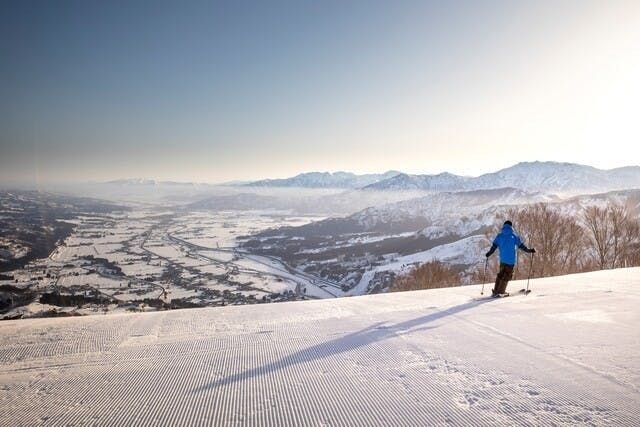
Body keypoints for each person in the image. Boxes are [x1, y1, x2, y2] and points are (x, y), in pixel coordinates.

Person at [485, 220, 535, 297]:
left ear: (504, 226)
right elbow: (521, 246)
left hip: (502, 260)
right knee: (507, 275)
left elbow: (494, 246)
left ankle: (496, 290)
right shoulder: (514, 236)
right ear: (511, 226)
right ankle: (501, 292)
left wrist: (489, 253)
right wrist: (529, 250)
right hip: (510, 261)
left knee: (501, 275)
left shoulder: (499, 236)